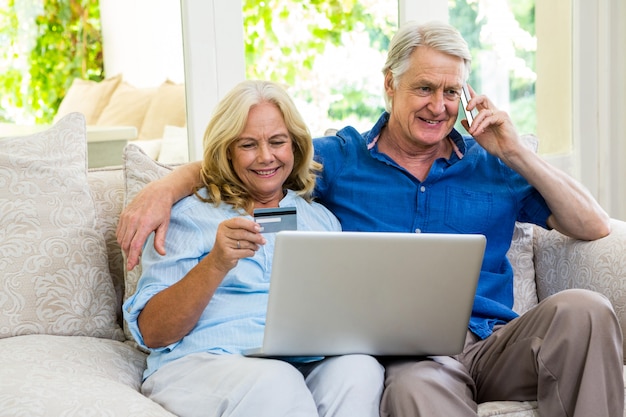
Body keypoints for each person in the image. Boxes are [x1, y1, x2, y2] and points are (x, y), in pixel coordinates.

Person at [118, 22, 624, 417]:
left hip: (493, 341)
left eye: (452, 92)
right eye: (424, 88)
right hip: (415, 358)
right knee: (410, 386)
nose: (439, 105)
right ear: (390, 85)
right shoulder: (341, 158)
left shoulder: (493, 162)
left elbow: (594, 225)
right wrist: (167, 185)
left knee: (585, 309)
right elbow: (259, 156)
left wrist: (516, 151)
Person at [122, 79, 384, 417]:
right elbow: (153, 332)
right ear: (227, 149)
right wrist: (215, 263)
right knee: (277, 382)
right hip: (205, 362)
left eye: (278, 142)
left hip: (301, 361)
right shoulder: (187, 215)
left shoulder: (320, 220)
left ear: (295, 146)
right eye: (248, 144)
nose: (266, 157)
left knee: (359, 369)